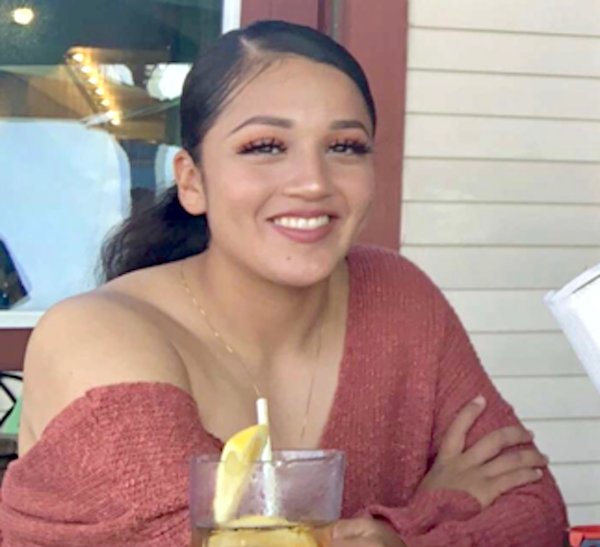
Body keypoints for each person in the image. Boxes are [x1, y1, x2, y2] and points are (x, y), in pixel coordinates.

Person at [0, 20, 566, 546]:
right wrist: (427, 515)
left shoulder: (397, 296)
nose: (313, 182)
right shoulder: (98, 334)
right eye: (265, 147)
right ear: (192, 181)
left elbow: (535, 511)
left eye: (344, 147)